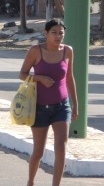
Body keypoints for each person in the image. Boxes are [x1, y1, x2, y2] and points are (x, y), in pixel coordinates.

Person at [18, 19, 79, 186]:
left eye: (61, 33)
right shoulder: (36, 51)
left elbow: (69, 78)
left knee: (61, 147)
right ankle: (31, 182)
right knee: (39, 151)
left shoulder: (67, 51)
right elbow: (22, 74)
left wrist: (75, 104)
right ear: (46, 34)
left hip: (61, 106)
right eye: (54, 32)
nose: (58, 36)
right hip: (39, 107)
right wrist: (39, 78)